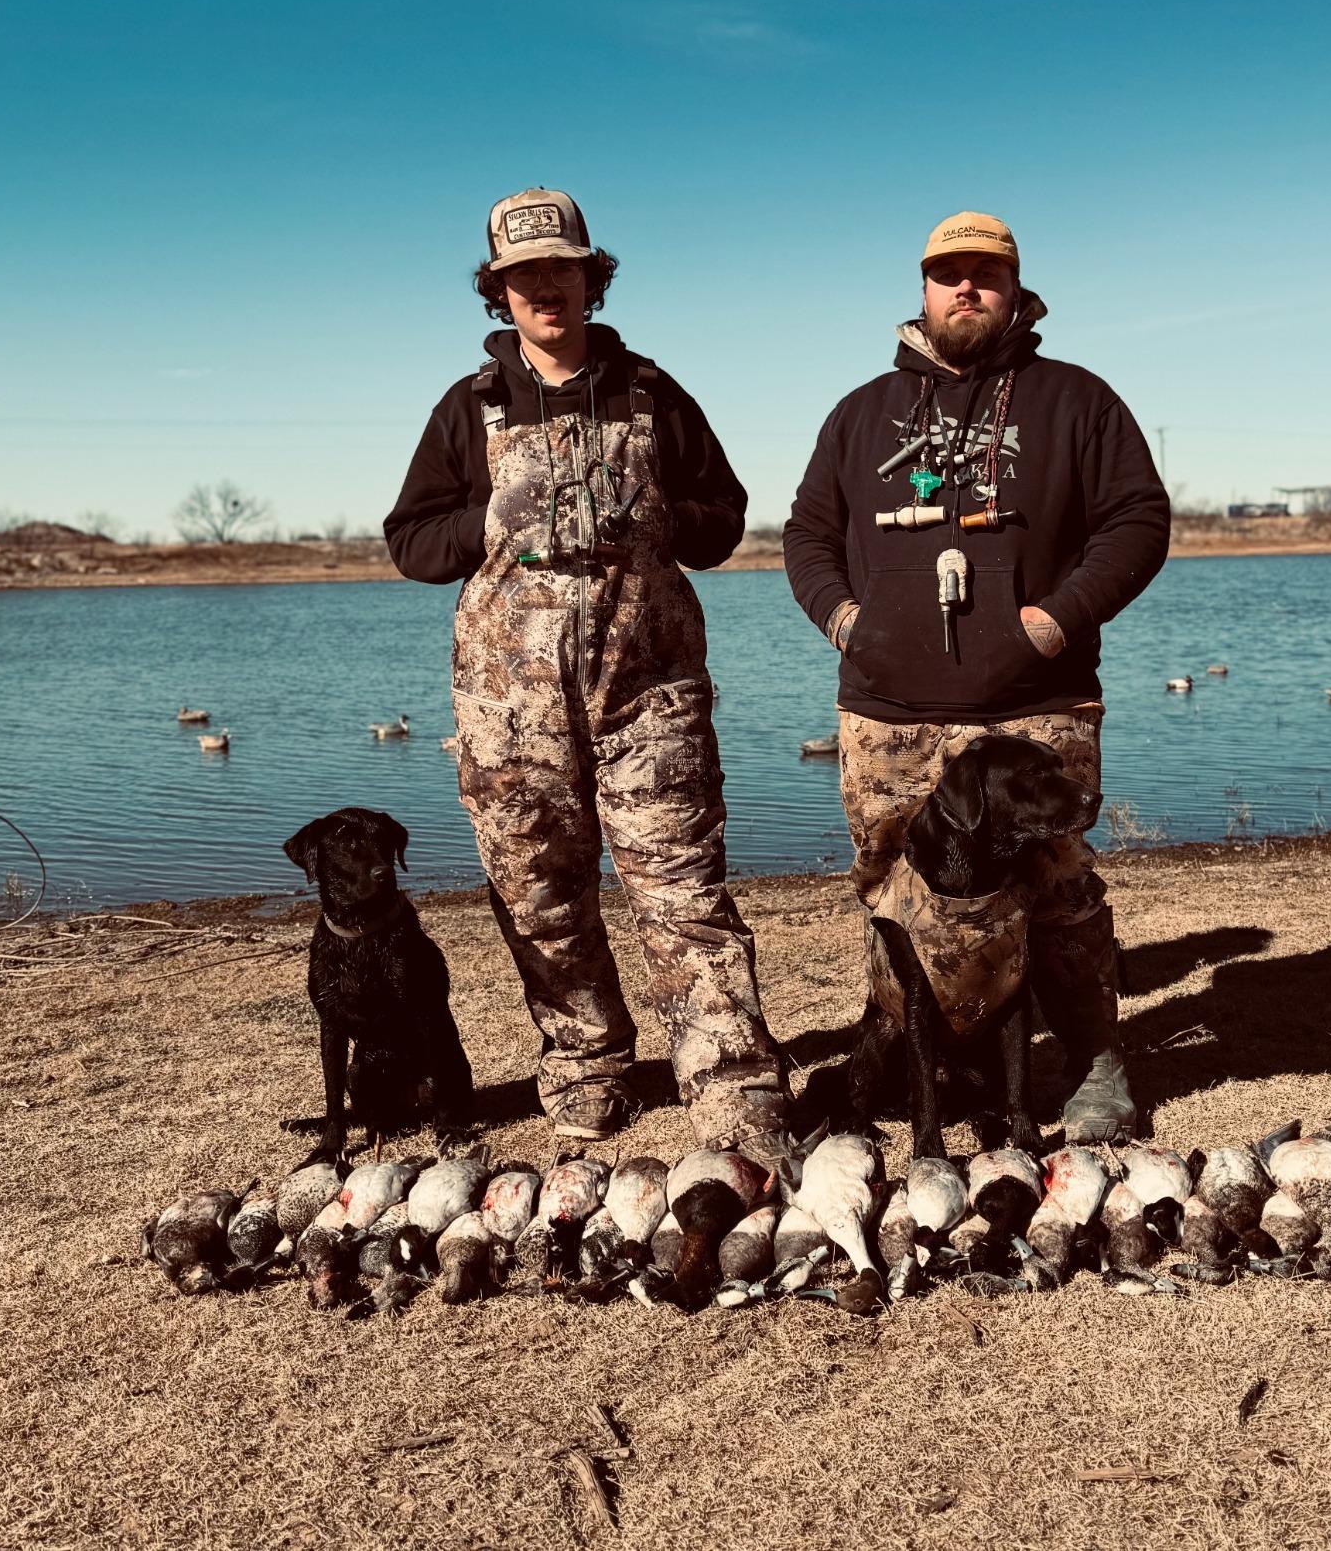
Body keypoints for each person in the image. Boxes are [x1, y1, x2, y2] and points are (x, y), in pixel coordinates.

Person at [385, 187, 789, 1157]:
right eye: (524, 275)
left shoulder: (651, 391)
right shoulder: (468, 406)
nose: (544, 289)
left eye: (561, 269)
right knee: (539, 898)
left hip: (649, 695)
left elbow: (725, 519)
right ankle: (586, 1062)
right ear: (500, 290)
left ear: (589, 278)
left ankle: (731, 1080)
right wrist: (488, 521)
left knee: (683, 894)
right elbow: (410, 542)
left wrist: (661, 516)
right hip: (510, 710)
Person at [782, 210, 1171, 1144]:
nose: (966, 288)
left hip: (1037, 704)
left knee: (1058, 882)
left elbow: (1138, 522)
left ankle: (1094, 1064)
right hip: (888, 712)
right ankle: (907, 1059)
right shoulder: (861, 414)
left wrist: (1054, 620)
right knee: (890, 888)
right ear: (922, 287)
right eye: (948, 273)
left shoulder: (1076, 401)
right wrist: (848, 622)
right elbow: (807, 536)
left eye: (985, 274)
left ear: (1015, 287)